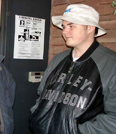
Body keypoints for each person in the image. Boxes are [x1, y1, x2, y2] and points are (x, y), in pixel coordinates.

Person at [29, 4, 116, 134]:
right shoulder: (58, 59)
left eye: (71, 26)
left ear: (90, 28)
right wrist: (36, 117)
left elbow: (113, 117)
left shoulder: (110, 63)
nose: (64, 31)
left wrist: (76, 131)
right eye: (64, 27)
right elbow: (42, 94)